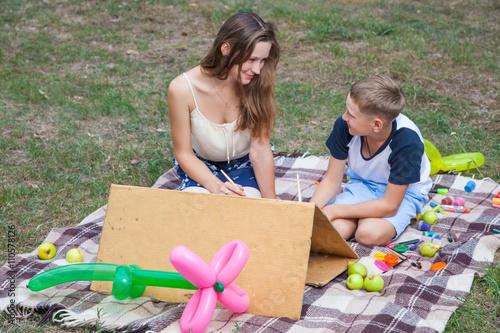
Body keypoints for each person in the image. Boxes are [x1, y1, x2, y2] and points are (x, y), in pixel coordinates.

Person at [167, 12, 280, 199]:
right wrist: (216, 186)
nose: (258, 69)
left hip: (245, 163)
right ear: (226, 49)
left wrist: (271, 205)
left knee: (246, 211)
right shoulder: (182, 89)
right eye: (251, 59)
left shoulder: (260, 82)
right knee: (196, 209)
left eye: (263, 60)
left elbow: (260, 149)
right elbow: (184, 154)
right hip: (200, 165)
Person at [310, 74, 432, 246]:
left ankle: (359, 218)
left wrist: (335, 209)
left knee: (368, 234)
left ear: (376, 125)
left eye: (351, 115)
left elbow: (390, 206)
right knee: (333, 231)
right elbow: (331, 179)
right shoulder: (344, 126)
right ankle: (357, 216)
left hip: (403, 195)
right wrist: (309, 213)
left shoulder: (406, 142)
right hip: (362, 184)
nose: (344, 117)